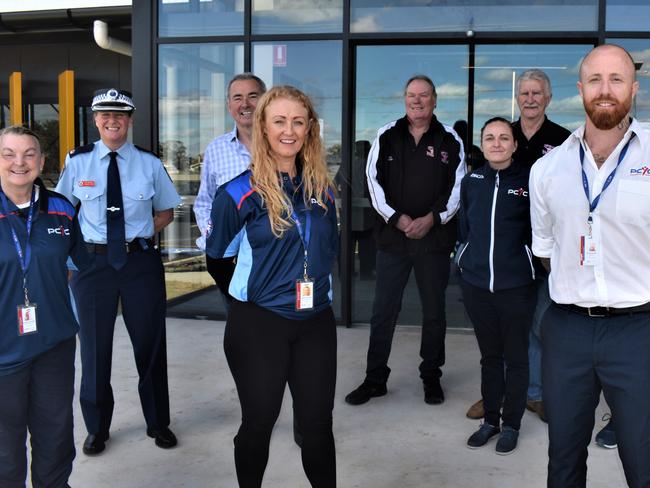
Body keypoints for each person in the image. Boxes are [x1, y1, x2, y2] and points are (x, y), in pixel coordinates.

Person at [206, 85, 339, 487]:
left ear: (310, 130)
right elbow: (216, 259)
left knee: (317, 425)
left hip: (315, 321)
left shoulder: (325, 190)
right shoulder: (236, 192)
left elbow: (326, 249)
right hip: (260, 324)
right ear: (262, 127)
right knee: (259, 422)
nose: (289, 130)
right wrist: (253, 298)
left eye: (298, 122)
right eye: (279, 120)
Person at [530, 44, 650, 487]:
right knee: (562, 458)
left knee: (643, 459)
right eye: (595, 80)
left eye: (616, 80)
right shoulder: (548, 168)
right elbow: (545, 249)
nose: (605, 90)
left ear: (634, 89)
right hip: (566, 329)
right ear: (579, 89)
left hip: (639, 329)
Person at [55, 88, 181, 455]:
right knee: (94, 349)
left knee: (151, 346)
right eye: (105, 115)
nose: (113, 121)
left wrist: (135, 236)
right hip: (92, 266)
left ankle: (159, 423)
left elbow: (167, 211)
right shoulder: (77, 162)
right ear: (95, 120)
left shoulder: (149, 164)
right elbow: (64, 212)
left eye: (120, 115)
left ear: (131, 120)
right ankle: (97, 429)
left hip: (139, 263)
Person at [346, 75, 465, 406]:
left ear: (435, 100)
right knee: (383, 311)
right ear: (404, 99)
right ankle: (374, 379)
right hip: (393, 240)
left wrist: (433, 219)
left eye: (424, 95)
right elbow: (372, 183)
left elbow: (458, 188)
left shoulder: (450, 140)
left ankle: (431, 377)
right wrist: (397, 218)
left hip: (433, 240)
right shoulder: (386, 135)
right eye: (412, 95)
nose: (418, 101)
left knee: (434, 312)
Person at [466, 69, 571, 422]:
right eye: (524, 93)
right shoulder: (504, 133)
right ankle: (495, 396)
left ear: (548, 98)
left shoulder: (563, 140)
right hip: (507, 257)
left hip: (545, 253)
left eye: (536, 93)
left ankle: (534, 392)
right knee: (502, 333)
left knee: (538, 325)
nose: (530, 98)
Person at [0, 125, 90, 487]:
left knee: (55, 438)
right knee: (5, 451)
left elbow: (71, 265)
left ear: (42, 160)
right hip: (4, 354)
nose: (19, 162)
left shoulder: (62, 209)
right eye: (8, 154)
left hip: (54, 345)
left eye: (29, 154)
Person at [457, 117, 536, 455]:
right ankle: (490, 420)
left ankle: (512, 424)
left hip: (516, 286)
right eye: (490, 138)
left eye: (504, 137)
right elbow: (464, 228)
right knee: (490, 357)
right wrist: (463, 259)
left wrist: (529, 264)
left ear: (515, 144)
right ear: (483, 144)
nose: (497, 143)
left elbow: (539, 230)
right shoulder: (472, 180)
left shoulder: (529, 180)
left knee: (516, 358)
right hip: (477, 286)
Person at [194, 73, 267, 305]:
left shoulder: (283, 143)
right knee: (240, 330)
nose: (245, 104)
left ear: (265, 101)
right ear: (229, 105)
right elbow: (205, 201)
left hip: (272, 256)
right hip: (232, 262)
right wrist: (214, 236)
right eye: (237, 98)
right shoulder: (216, 149)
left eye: (252, 96)